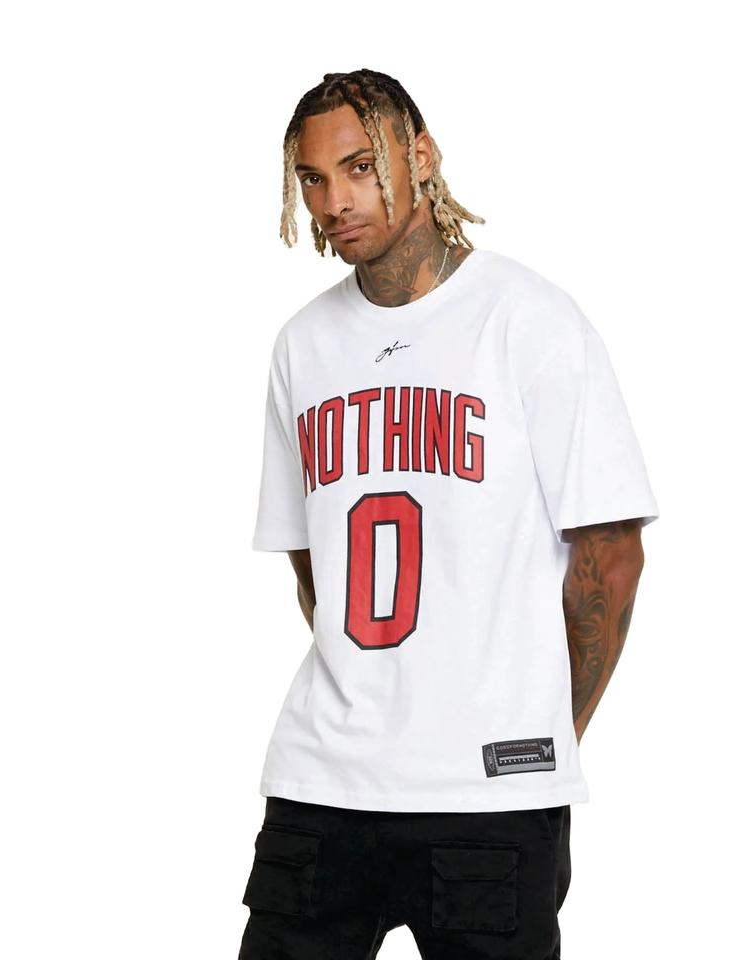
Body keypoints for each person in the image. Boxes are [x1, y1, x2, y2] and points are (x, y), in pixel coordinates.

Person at [238, 68, 659, 960]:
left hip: (487, 799)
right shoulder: (302, 346)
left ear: (421, 156)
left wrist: (541, 731)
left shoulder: (531, 322)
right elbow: (314, 568)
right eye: (313, 179)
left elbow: (611, 557)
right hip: (323, 781)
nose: (334, 201)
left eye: (360, 167)